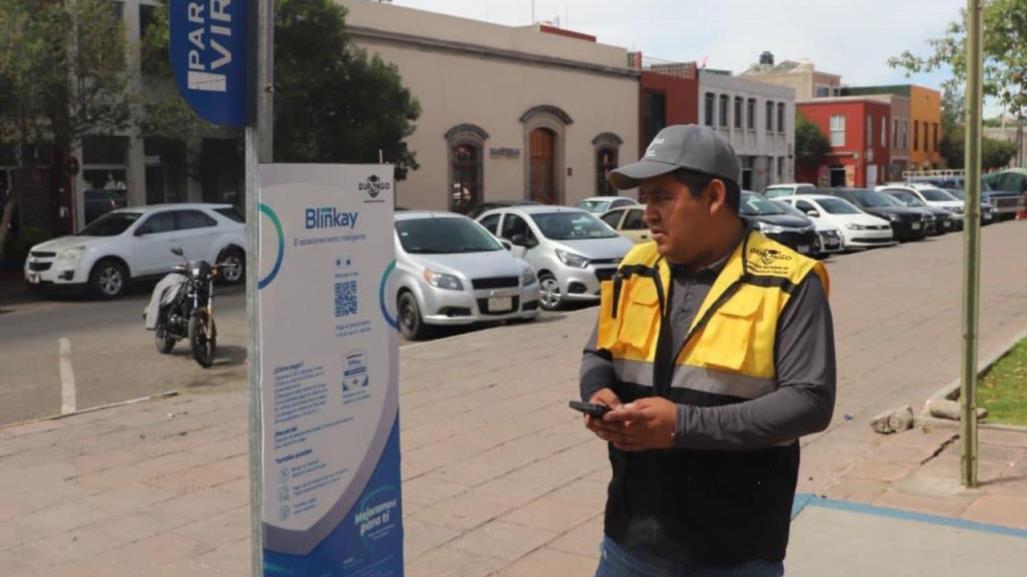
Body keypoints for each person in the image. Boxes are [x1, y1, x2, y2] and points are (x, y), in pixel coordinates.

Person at [579, 124, 836, 577]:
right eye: (645, 199)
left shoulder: (789, 281)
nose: (648, 214)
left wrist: (683, 426)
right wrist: (599, 394)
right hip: (631, 537)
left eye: (662, 197)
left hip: (736, 551)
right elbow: (599, 352)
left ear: (714, 196)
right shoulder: (633, 267)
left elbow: (810, 402)